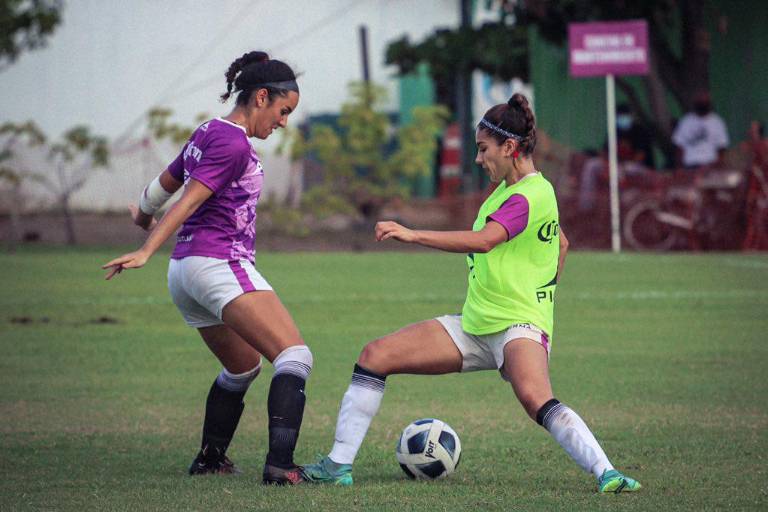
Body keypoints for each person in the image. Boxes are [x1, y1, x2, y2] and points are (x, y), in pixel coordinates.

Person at [301, 94, 642, 493]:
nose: (479, 159)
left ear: (510, 147)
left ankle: (608, 473)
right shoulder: (509, 191)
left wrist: (413, 233)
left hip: (517, 325)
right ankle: (337, 465)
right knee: (375, 356)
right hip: (477, 324)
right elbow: (561, 244)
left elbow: (484, 241)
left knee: (535, 398)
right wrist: (544, 289)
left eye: (483, 150)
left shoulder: (528, 194)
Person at [102, 51, 310, 485]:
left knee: (243, 366)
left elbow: (162, 186)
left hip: (185, 273)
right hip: (217, 263)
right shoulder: (233, 142)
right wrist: (145, 249)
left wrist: (143, 215)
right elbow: (189, 198)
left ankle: (211, 458)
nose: (284, 122)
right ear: (260, 98)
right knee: (294, 356)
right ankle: (280, 467)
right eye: (283, 110)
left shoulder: (208, 131)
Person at [578, 103, 654, 211]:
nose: (622, 119)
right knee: (591, 165)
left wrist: (618, 166)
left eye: (625, 116)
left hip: (639, 168)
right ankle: (586, 206)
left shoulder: (640, 131)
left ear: (631, 116)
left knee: (621, 169)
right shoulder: (615, 130)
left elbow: (640, 157)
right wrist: (606, 164)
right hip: (616, 165)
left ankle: (620, 206)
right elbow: (605, 152)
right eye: (619, 116)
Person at [672, 90, 730, 170]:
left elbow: (721, 148)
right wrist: (679, 168)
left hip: (710, 166)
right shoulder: (686, 122)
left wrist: (718, 166)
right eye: (700, 103)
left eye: (705, 103)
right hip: (690, 167)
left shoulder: (717, 122)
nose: (703, 105)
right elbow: (679, 147)